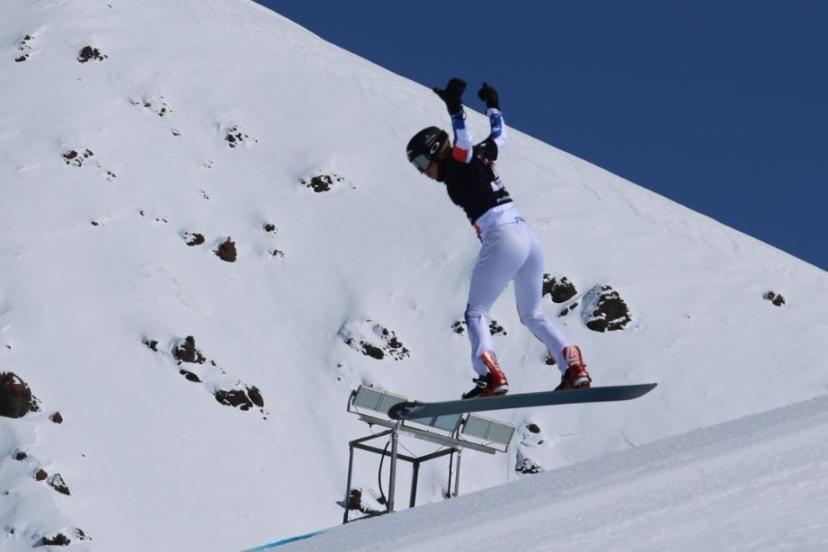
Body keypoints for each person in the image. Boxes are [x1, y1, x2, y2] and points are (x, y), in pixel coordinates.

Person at [406, 78, 592, 398]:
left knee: (476, 313)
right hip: (527, 237)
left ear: (436, 153)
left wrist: (455, 108)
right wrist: (493, 105)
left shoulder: (460, 160)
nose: (423, 172)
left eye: (422, 163)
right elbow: (500, 136)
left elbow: (462, 141)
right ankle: (572, 365)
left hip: (502, 236)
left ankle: (490, 375)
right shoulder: (478, 155)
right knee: (532, 314)